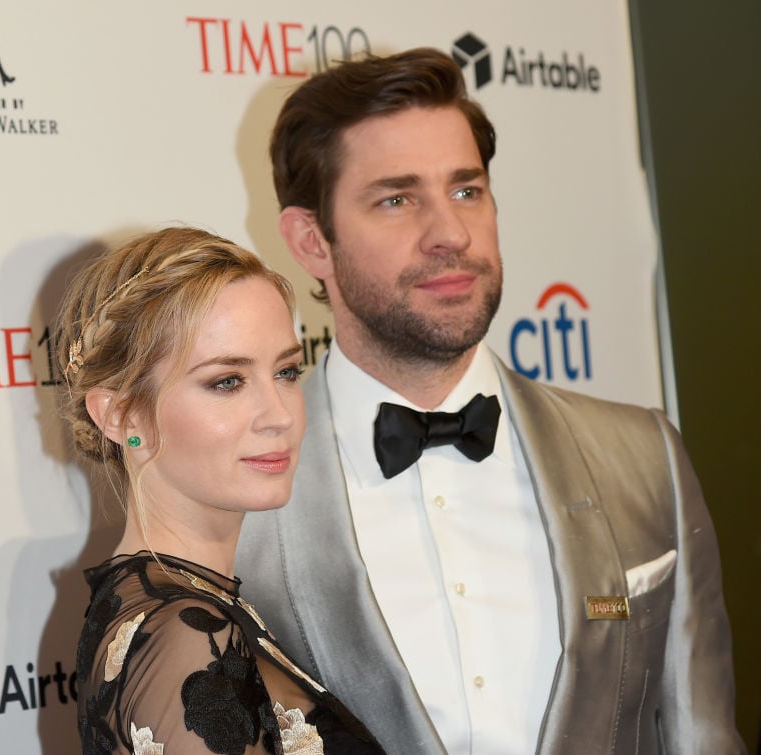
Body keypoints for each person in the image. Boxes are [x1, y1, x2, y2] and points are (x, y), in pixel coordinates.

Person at [235, 48, 744, 754]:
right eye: (397, 198)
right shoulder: (239, 498)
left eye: (467, 189)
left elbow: (703, 734)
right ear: (311, 241)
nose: (451, 233)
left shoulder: (643, 454)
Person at [58, 227, 386, 754]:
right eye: (227, 381)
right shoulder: (185, 635)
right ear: (122, 415)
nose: (279, 415)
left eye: (285, 371)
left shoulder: (179, 610)